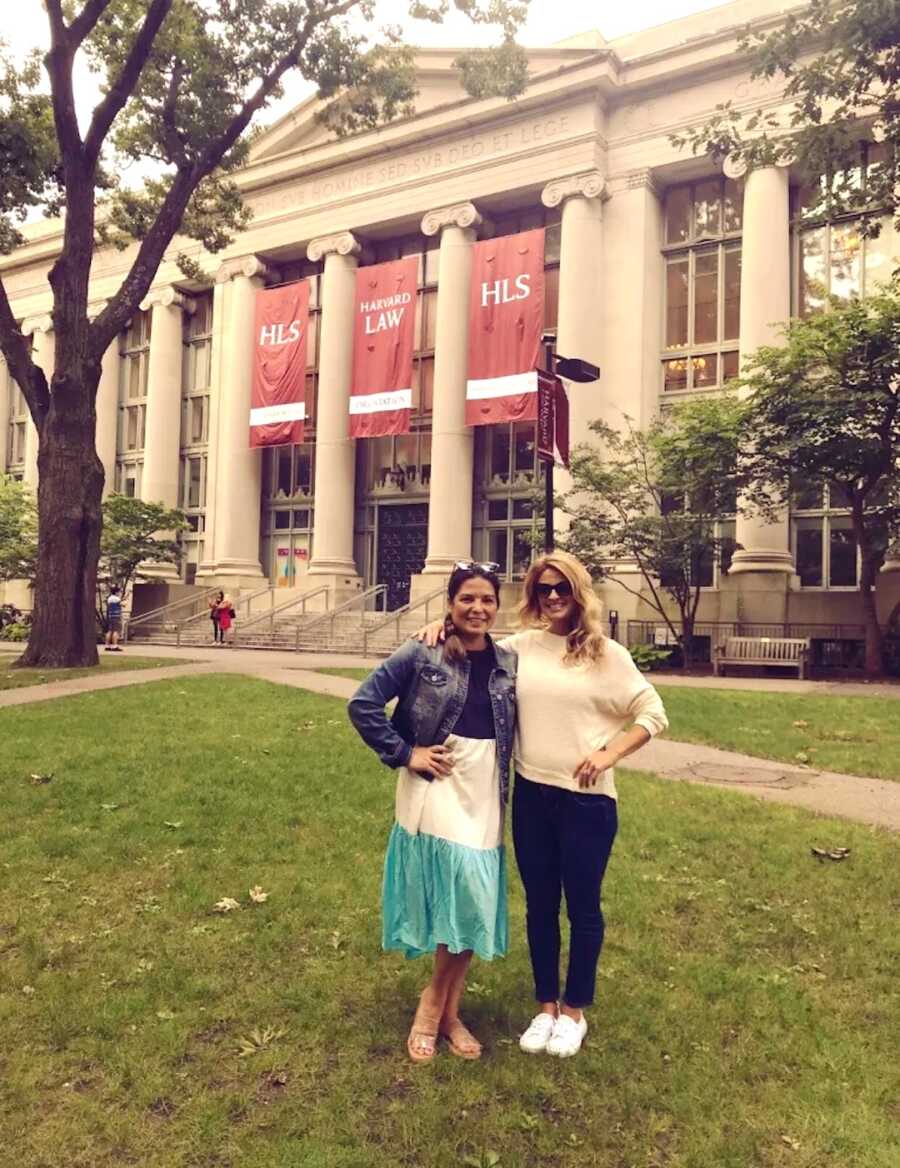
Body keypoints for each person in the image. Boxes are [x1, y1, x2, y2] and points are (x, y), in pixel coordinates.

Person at [418, 551, 667, 1059]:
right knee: (539, 907)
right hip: (532, 795)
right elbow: (475, 642)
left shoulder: (606, 653)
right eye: (544, 589)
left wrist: (608, 752)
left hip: (587, 804)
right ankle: (546, 1006)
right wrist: (438, 624)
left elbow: (652, 712)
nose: (553, 597)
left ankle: (575, 1012)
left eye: (562, 588)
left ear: (579, 593)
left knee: (583, 907)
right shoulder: (521, 649)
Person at [347, 562, 517, 1063]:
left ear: (496, 605)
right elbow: (363, 703)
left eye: (487, 599)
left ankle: (447, 1010)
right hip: (437, 778)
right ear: (449, 602)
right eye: (467, 599)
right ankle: (432, 1010)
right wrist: (405, 753)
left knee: (472, 898)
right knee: (461, 887)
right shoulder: (423, 649)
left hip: (485, 786)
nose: (477, 608)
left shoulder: (510, 659)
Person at [104, 585, 124, 652]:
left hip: (110, 616)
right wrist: (124, 603)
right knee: (116, 631)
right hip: (116, 616)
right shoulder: (117, 598)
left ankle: (107, 645)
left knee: (109, 631)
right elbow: (122, 604)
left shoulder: (109, 598)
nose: (119, 593)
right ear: (116, 592)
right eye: (119, 592)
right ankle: (115, 646)